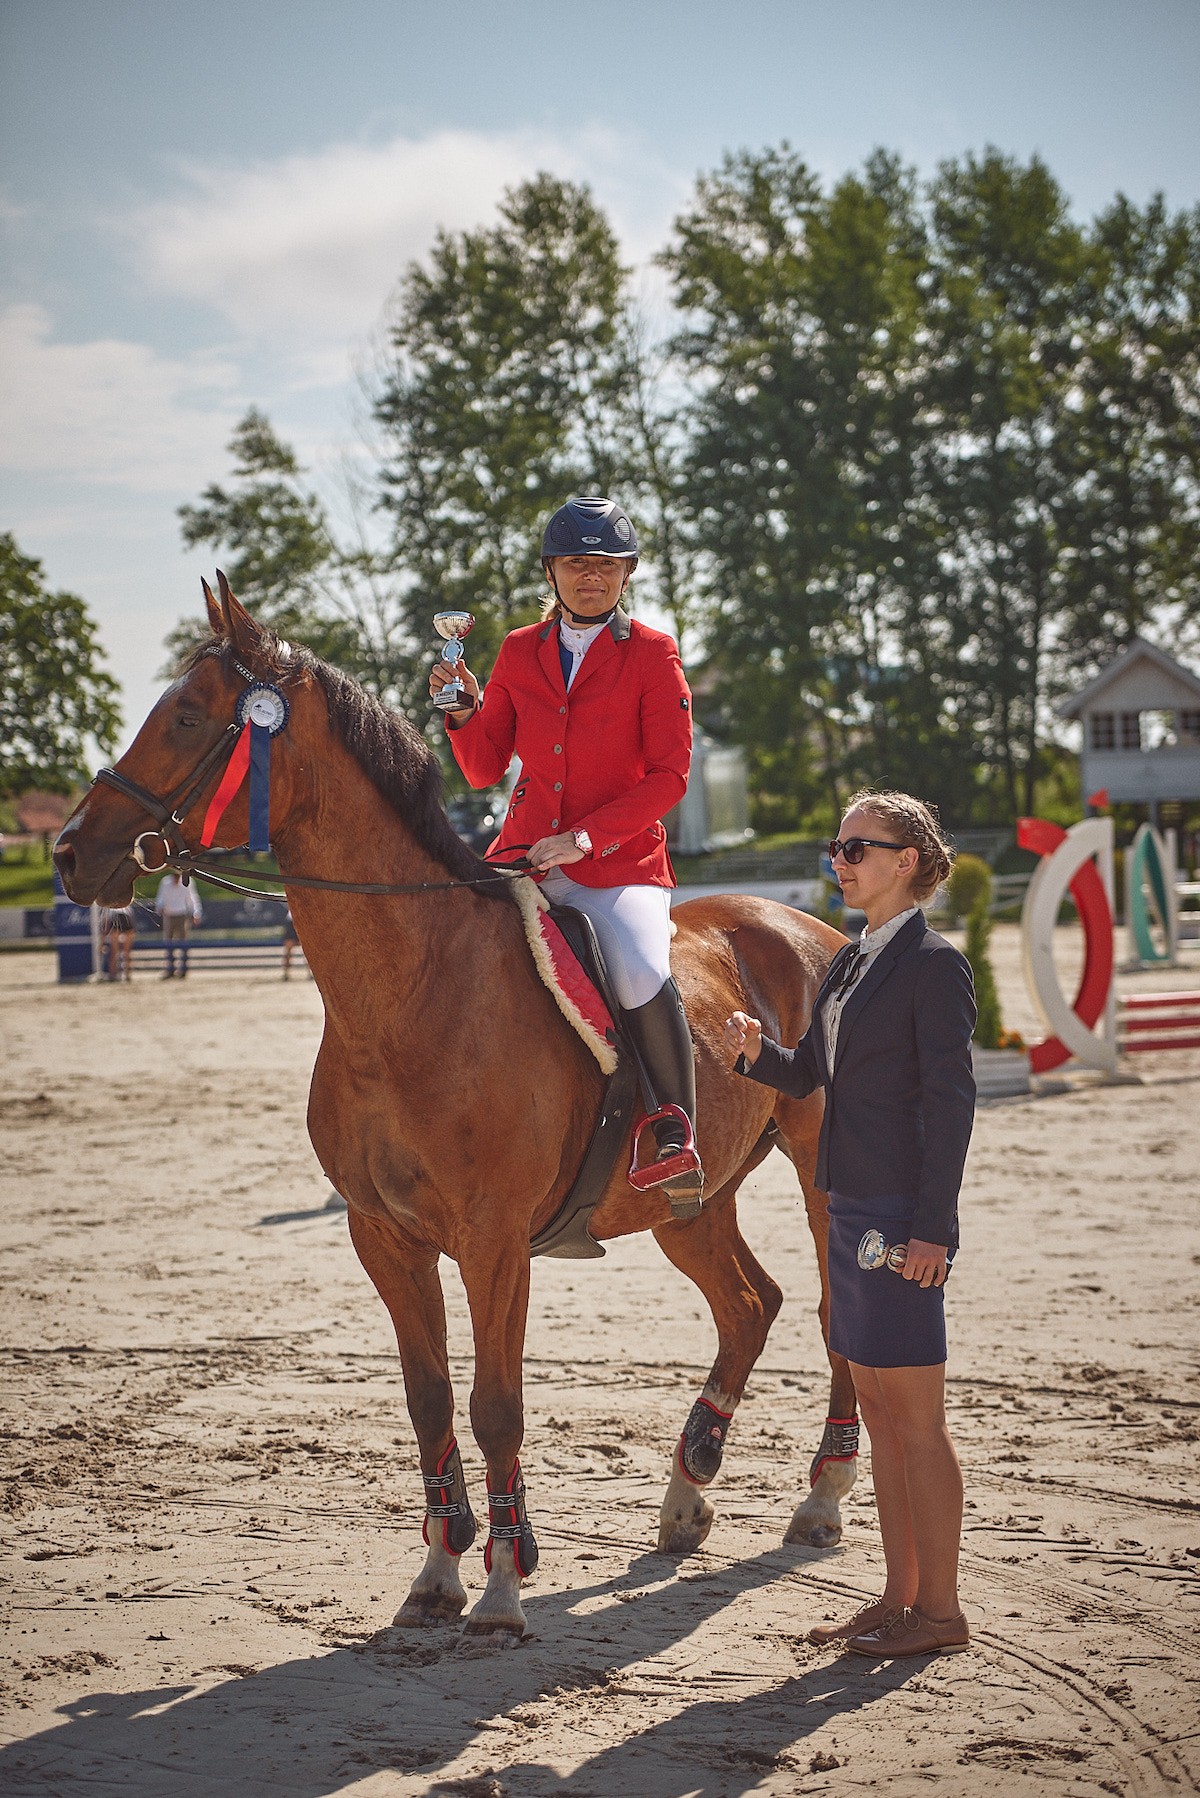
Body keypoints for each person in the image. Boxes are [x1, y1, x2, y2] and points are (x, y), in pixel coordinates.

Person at [725, 790, 976, 1657]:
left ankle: (940, 1615)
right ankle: (898, 1597)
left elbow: (951, 1105)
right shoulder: (849, 960)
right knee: (874, 1408)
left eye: (859, 847)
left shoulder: (934, 965)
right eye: (837, 846)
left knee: (916, 1417)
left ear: (907, 861)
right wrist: (761, 1053)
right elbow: (814, 1073)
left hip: (904, 1219)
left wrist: (934, 1231)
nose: (842, 859)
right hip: (850, 1209)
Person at [429, 495, 703, 1209]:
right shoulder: (519, 651)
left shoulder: (653, 653)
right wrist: (461, 709)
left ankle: (676, 1131)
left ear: (626, 575)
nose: (592, 577)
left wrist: (586, 836)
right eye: (577, 563)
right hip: (521, 853)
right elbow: (487, 767)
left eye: (606, 565)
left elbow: (670, 774)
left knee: (641, 968)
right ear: (551, 572)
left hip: (619, 863)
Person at [155, 872, 202, 979]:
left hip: (182, 914)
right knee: (168, 942)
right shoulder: (165, 882)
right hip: (169, 914)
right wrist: (160, 907)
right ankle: (170, 968)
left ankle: (184, 969)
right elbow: (161, 896)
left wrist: (195, 913)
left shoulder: (187, 882)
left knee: (183, 942)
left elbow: (192, 898)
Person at [100, 906, 136, 981]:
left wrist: (102, 943)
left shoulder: (108, 908)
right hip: (127, 918)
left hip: (117, 917)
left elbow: (105, 927)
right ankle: (128, 973)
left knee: (114, 951)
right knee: (127, 952)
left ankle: (112, 974)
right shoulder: (126, 905)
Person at [281, 907, 300, 980]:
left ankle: (286, 973)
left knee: (308, 952)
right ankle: (286, 973)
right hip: (292, 921)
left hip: (297, 919)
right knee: (288, 951)